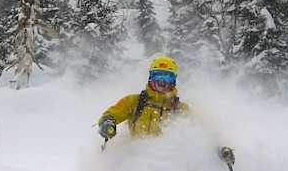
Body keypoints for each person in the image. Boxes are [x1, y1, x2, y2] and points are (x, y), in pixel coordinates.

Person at [96, 56, 235, 165]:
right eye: (158, 76)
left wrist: (220, 149)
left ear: (174, 80)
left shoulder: (180, 109)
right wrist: (108, 123)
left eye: (167, 77)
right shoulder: (134, 101)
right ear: (151, 78)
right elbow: (112, 114)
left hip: (167, 166)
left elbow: (202, 133)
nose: (162, 82)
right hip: (135, 162)